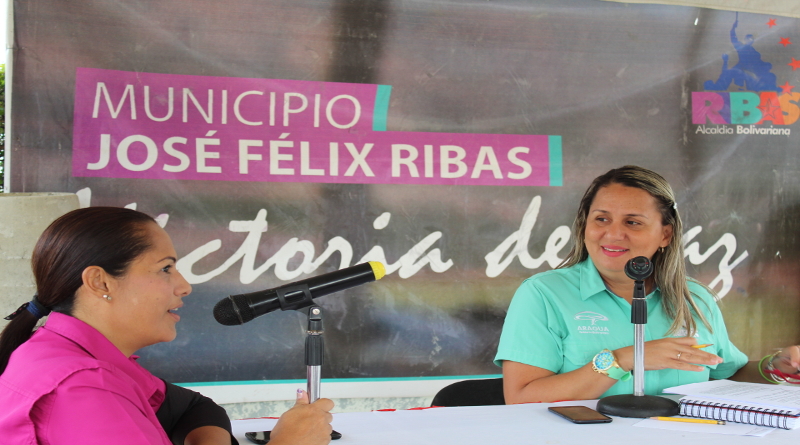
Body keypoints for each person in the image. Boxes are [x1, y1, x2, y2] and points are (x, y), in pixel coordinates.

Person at [0, 207, 334, 444]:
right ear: (100, 282)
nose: (184, 286)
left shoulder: (73, 355)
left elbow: (192, 408)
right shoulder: (81, 389)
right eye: (165, 269)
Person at [495, 166, 800, 404]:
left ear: (665, 234)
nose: (613, 234)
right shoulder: (543, 294)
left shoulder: (695, 297)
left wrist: (774, 367)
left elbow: (727, 372)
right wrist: (624, 359)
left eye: (633, 222)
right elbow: (521, 398)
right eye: (601, 219)